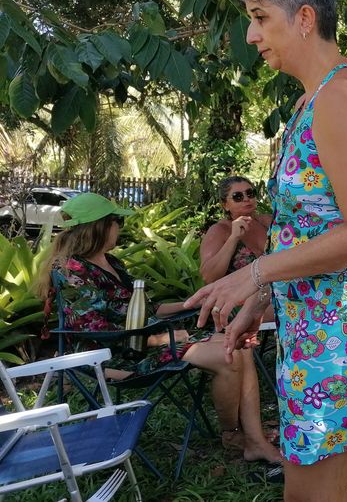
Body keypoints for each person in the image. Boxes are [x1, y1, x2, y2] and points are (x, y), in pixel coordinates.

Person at [185, 0, 347, 502]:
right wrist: (261, 299)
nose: (251, 34)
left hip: (343, 327)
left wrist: (254, 271)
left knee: (311, 496)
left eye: (260, 17)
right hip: (317, 320)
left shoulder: (341, 97)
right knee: (313, 492)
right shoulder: (315, 98)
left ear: (304, 18)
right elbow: (312, 229)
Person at [38, 192, 281, 465]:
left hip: (142, 342)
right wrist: (160, 339)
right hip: (115, 355)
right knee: (228, 355)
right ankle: (233, 435)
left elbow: (145, 308)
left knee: (239, 344)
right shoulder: (72, 270)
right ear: (100, 226)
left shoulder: (111, 262)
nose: (120, 226)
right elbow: (96, 329)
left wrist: (196, 299)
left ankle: (255, 440)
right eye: (116, 220)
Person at [200, 176, 273, 284]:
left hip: (276, 294)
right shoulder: (219, 231)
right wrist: (233, 238)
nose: (246, 199)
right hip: (236, 296)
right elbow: (208, 276)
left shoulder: (267, 222)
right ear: (225, 205)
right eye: (237, 196)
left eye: (250, 193)